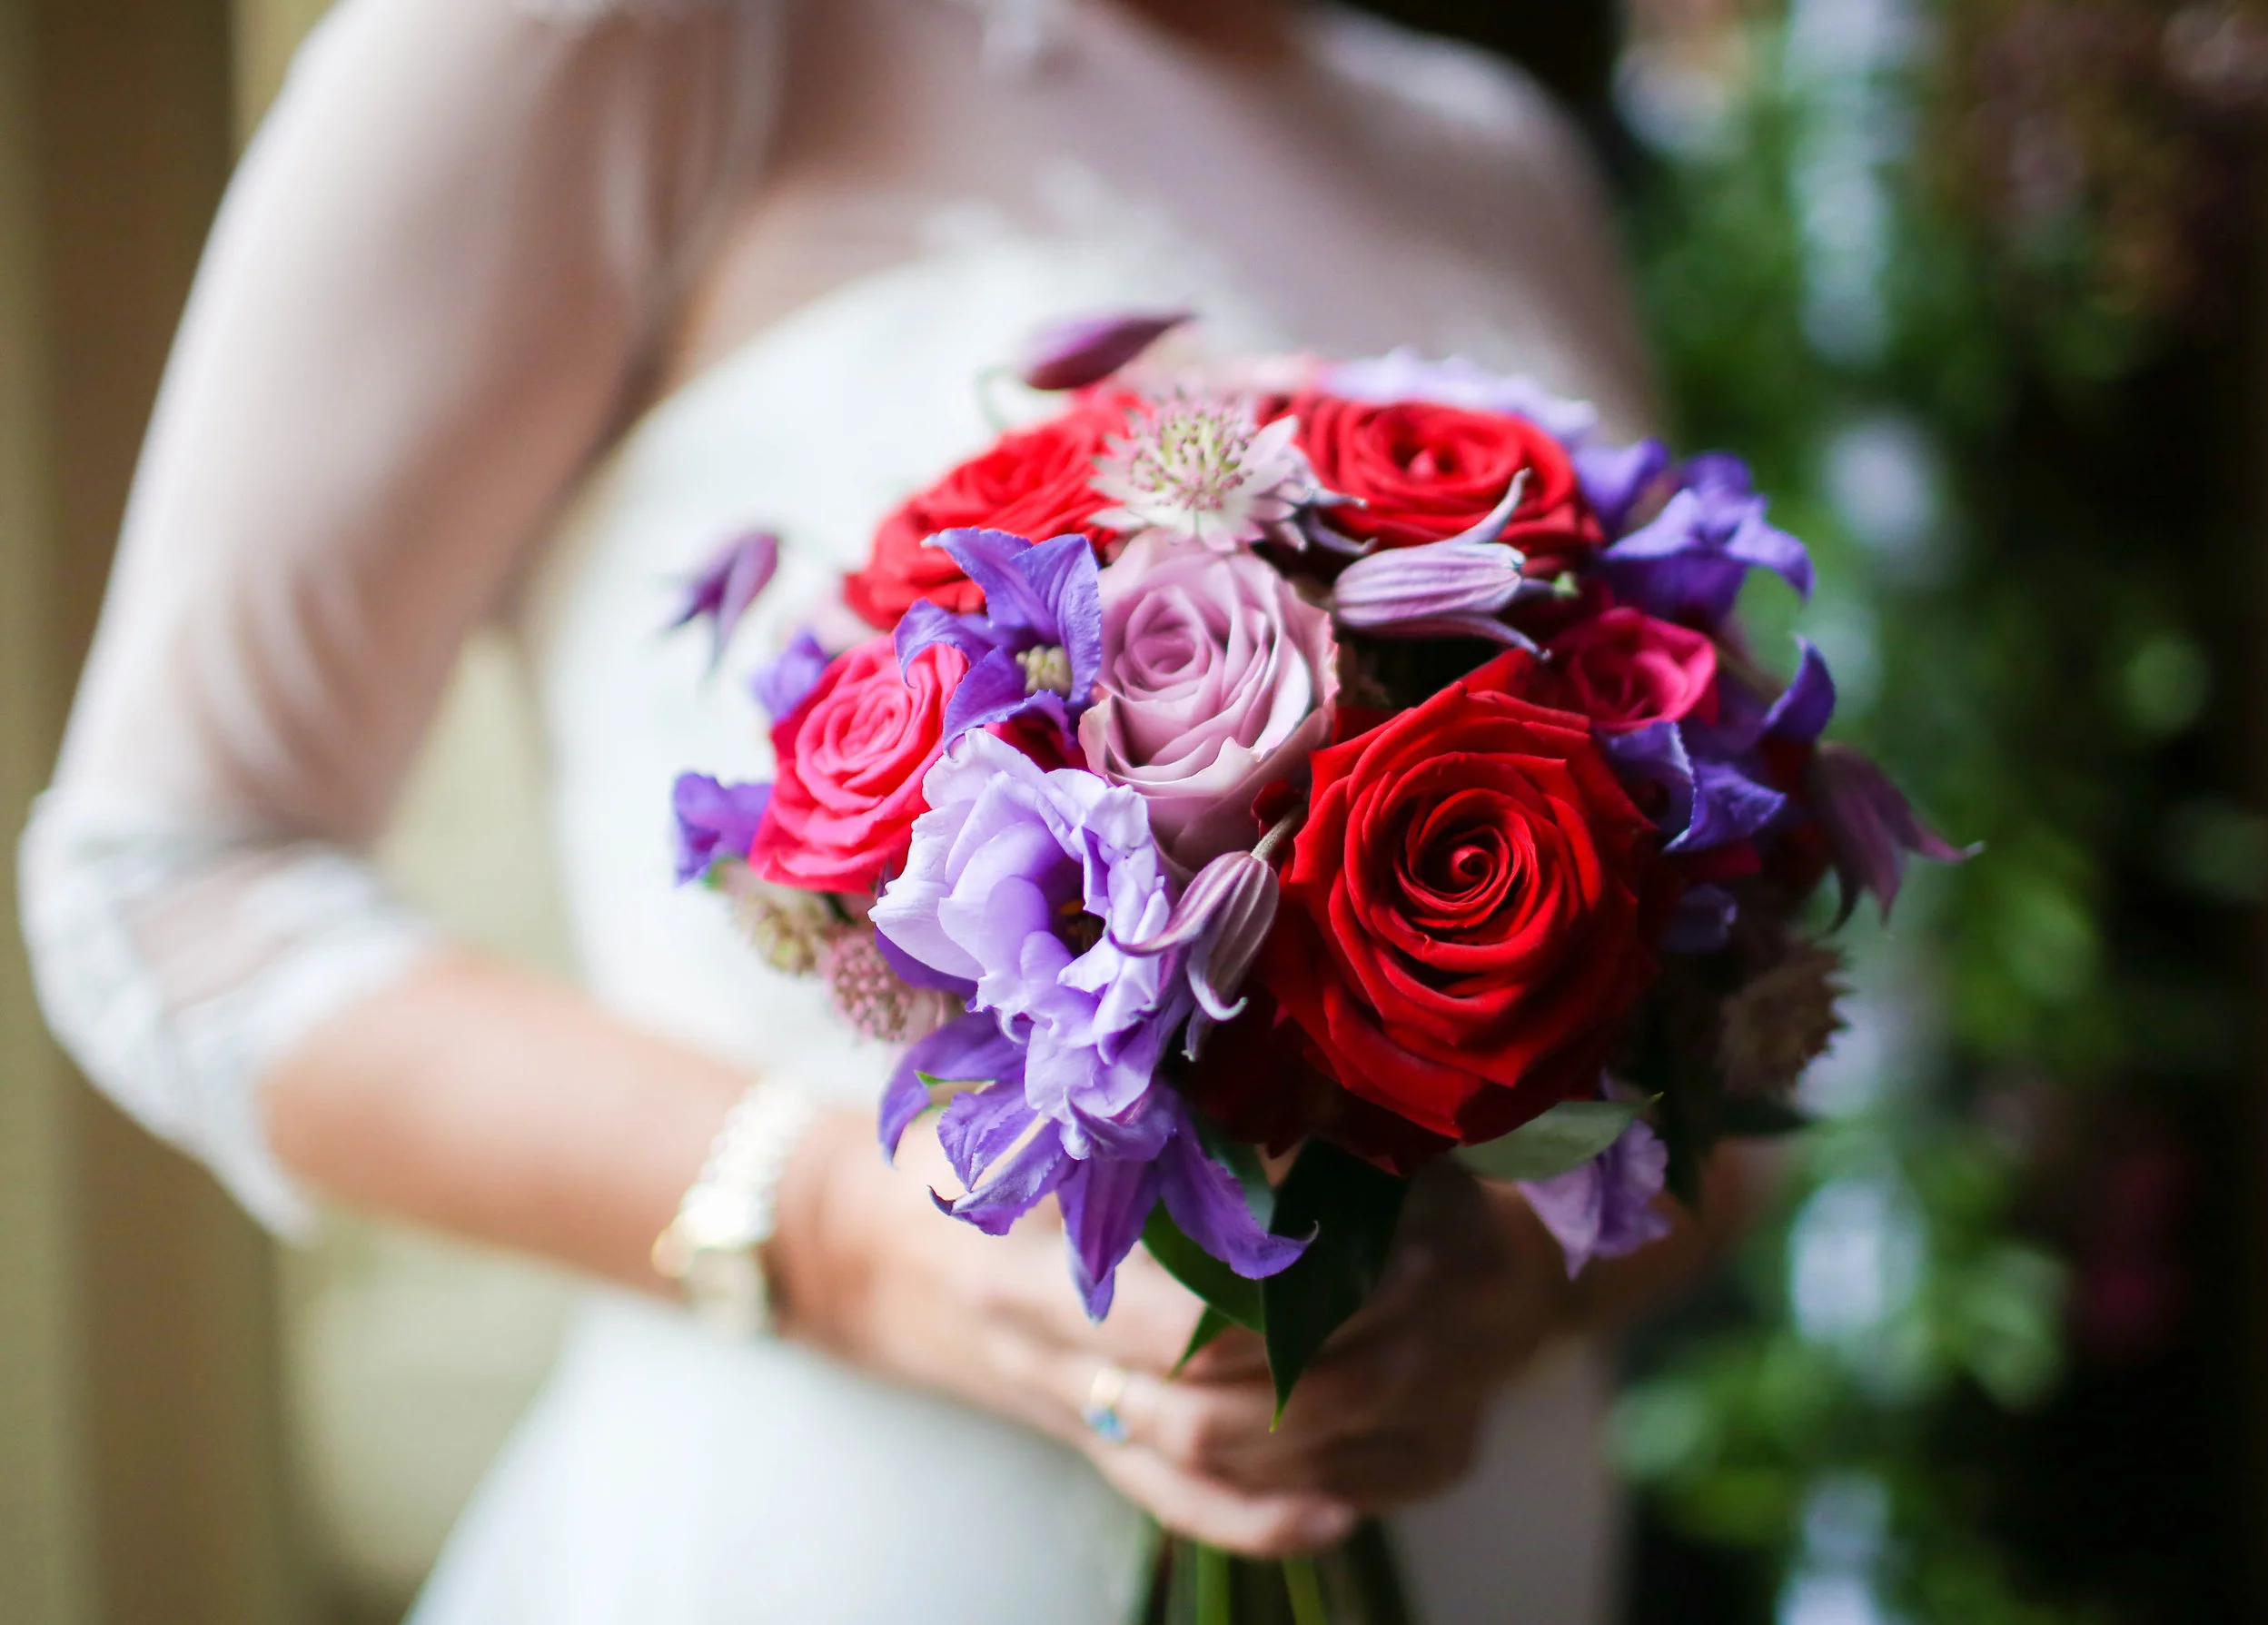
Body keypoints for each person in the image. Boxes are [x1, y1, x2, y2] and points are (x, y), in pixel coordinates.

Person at [18, 1, 1734, 1619]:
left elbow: (1737, 1003)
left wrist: (1506, 1275)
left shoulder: (1493, 153)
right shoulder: (629, 41)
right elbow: (167, 890)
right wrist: (852, 1240)